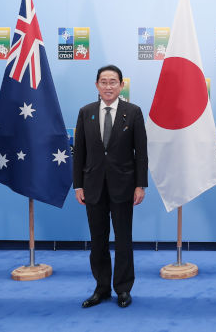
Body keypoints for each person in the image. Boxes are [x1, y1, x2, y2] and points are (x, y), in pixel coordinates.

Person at [73, 65, 148, 308]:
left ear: (121, 85)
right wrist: (78, 185)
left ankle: (123, 289)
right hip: (93, 186)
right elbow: (79, 153)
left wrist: (140, 185)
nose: (108, 86)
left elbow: (141, 153)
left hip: (124, 186)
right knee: (98, 240)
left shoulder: (133, 112)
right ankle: (102, 288)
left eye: (113, 82)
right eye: (103, 82)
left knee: (124, 239)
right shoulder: (86, 112)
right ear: (97, 85)